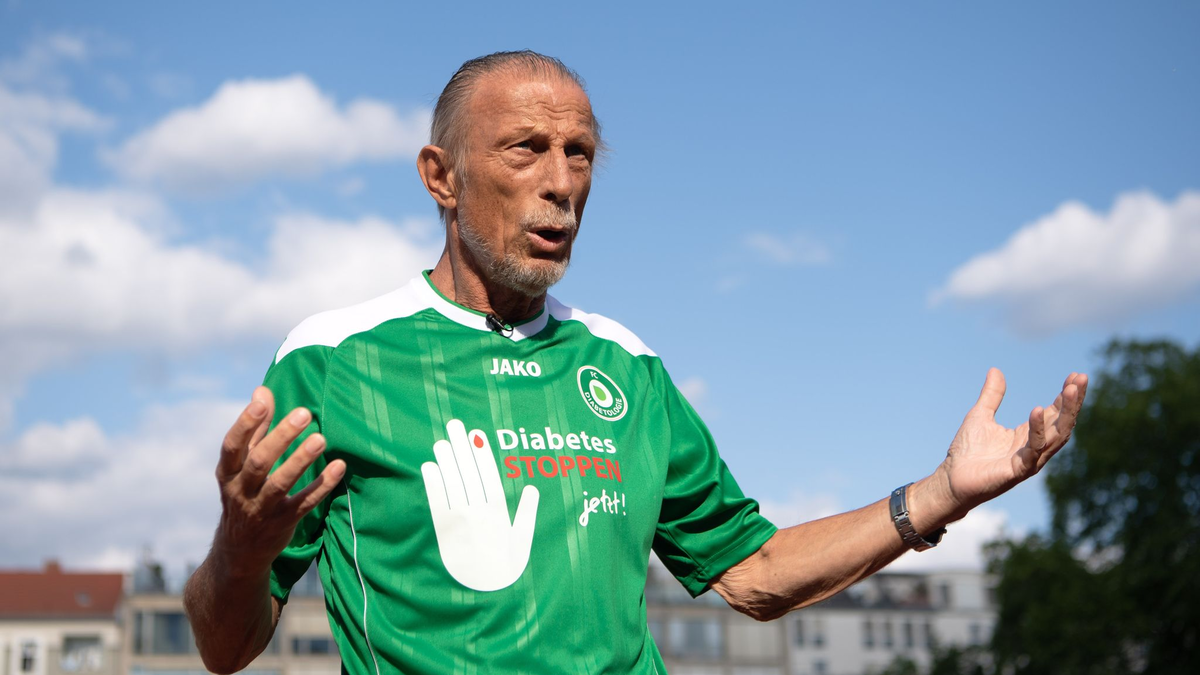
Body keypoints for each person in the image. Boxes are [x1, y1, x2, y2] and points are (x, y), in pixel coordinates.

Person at [183, 51, 1087, 675]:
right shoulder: (333, 360)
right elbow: (226, 647)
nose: (563, 182)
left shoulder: (628, 367)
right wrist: (241, 545)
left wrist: (940, 494)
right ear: (441, 175)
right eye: (526, 149)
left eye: (579, 154)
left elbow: (753, 573)